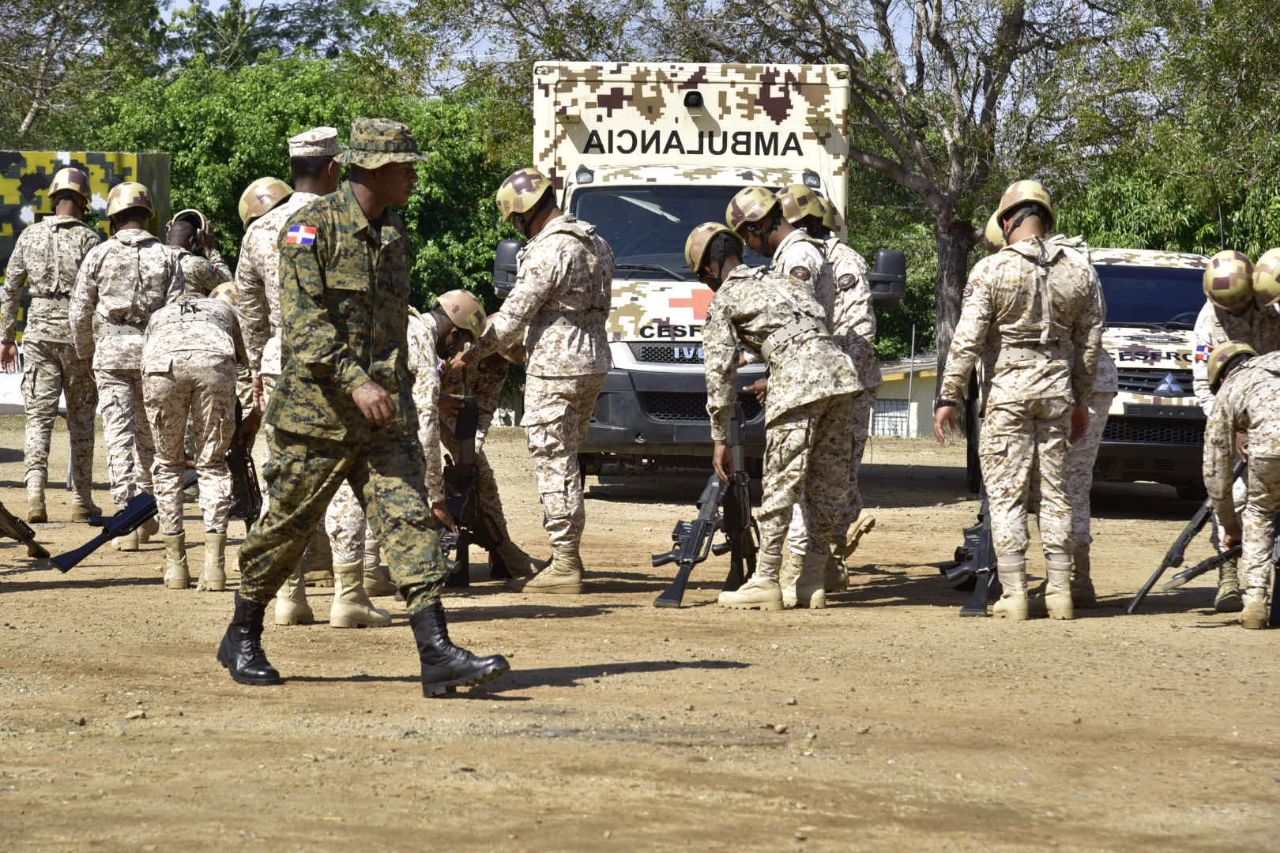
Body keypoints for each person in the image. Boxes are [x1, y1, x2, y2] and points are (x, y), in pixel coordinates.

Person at [217, 117, 510, 697]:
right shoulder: (307, 228)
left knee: (410, 524)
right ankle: (242, 632)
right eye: (405, 168)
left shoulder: (395, 233)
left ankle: (437, 653)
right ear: (373, 168)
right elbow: (304, 325)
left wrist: (398, 395)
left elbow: (392, 333)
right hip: (316, 416)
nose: (413, 179)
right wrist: (355, 383)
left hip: (382, 419)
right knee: (286, 529)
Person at [934, 180, 1103, 621]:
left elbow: (966, 340)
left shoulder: (992, 270)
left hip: (1008, 393)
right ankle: (1061, 593)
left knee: (1006, 496)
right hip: (1057, 393)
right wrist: (1081, 399)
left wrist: (948, 395)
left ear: (1008, 221)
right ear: (1046, 221)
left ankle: (1014, 594)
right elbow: (1090, 343)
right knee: (1056, 495)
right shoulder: (1080, 270)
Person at [688, 222, 862, 610]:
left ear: (713, 266)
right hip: (842, 376)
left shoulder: (727, 297)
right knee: (825, 482)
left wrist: (719, 437)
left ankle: (765, 579)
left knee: (783, 482)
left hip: (800, 383)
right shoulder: (785, 282)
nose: (707, 285)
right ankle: (812, 580)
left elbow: (718, 372)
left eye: (703, 277)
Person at [453, 167, 612, 594]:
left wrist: (470, 351)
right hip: (593, 359)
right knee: (568, 458)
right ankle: (566, 557)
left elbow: (512, 320)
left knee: (553, 460)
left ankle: (564, 564)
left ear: (524, 212)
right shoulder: (595, 241)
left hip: (556, 364)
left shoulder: (549, 250)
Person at [234, 129, 345, 621]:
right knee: (345, 476)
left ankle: (289, 595)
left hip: (282, 361)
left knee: (285, 479)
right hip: (342, 364)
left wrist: (260, 367)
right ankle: (350, 592)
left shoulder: (259, 231)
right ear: (333, 168)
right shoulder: (346, 221)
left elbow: (249, 312)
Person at [773, 187, 881, 599]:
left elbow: (858, 330)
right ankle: (815, 564)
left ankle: (824, 561)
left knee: (834, 477)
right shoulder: (796, 257)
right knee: (802, 475)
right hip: (812, 382)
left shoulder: (842, 260)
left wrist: (832, 378)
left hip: (843, 386)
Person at [69, 181, 184, 551]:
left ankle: (127, 515)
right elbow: (179, 312)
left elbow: (79, 311)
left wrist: (86, 353)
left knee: (118, 433)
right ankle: (149, 511)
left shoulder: (99, 255)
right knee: (153, 434)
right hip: (154, 352)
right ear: (147, 215)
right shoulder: (169, 256)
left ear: (114, 218)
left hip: (111, 352)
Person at [0, 167, 101, 522]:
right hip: (77, 336)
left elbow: (10, 288)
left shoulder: (30, 236)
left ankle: (35, 497)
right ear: (83, 200)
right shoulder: (90, 240)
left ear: (54, 197)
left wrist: (6, 338)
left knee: (38, 419)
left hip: (40, 332)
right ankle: (82, 501)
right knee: (82, 418)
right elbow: (98, 295)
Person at [412, 291, 537, 578]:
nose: (497, 364)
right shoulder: (451, 346)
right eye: (495, 355)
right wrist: (442, 400)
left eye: (504, 361)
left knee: (481, 476)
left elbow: (485, 410)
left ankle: (502, 549)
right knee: (418, 470)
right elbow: (422, 392)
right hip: (425, 413)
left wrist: (473, 449)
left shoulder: (498, 370)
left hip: (460, 423)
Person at [1189, 250, 1280, 611]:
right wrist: (1235, 429)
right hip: (1233, 413)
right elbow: (1202, 386)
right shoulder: (1207, 322)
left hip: (1270, 411)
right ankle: (1228, 572)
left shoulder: (1272, 308)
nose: (1237, 311)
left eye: (1243, 304)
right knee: (1231, 494)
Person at [142, 291, 247, 591]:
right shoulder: (224, 310)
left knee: (167, 463)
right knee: (212, 464)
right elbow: (241, 355)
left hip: (163, 367)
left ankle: (176, 566)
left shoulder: (160, 314)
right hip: (215, 365)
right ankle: (214, 567)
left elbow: (144, 362)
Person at [1202, 342, 1280, 629]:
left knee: (1259, 512)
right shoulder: (1273, 360)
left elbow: (1215, 472)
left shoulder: (1231, 388)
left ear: (1220, 377)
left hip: (1272, 449)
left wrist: (1231, 526)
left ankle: (1255, 601)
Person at [725, 185, 830, 302]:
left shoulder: (798, 255)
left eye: (746, 238)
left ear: (759, 226)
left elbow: (799, 315)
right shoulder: (791, 253)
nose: (749, 246)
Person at [166, 209, 231, 296]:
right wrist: (210, 248)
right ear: (192, 240)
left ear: (168, 235)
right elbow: (228, 283)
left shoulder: (149, 258)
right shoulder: (196, 264)